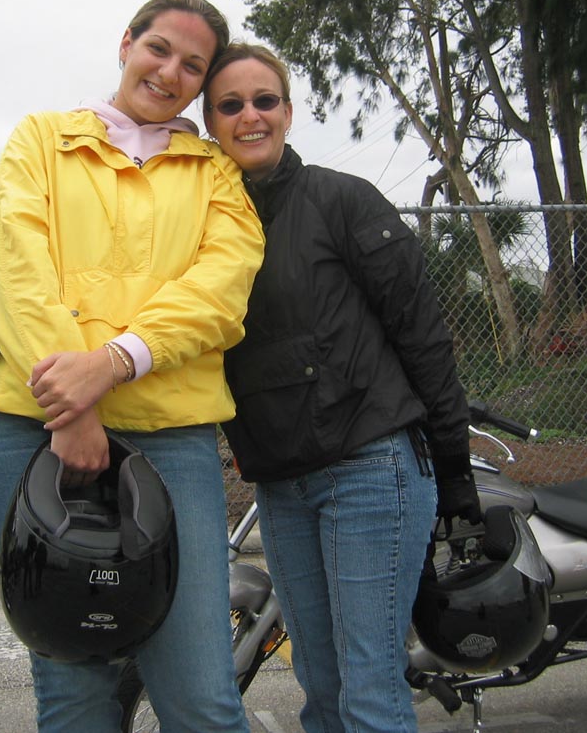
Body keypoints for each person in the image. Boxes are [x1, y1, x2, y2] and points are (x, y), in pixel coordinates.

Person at [0, 0, 264, 733]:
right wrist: (73, 407)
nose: (169, 72)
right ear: (126, 44)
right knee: (74, 678)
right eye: (158, 49)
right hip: (25, 425)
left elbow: (221, 289)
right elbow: (19, 273)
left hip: (168, 437)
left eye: (193, 65)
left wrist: (115, 362)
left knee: (199, 689)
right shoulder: (40, 141)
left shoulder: (216, 175)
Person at [202, 43, 482, 733]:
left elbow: (422, 334)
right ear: (209, 123)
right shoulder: (205, 224)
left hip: (370, 468)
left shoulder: (343, 201)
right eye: (230, 105)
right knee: (321, 684)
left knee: (368, 686)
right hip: (281, 485)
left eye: (264, 100)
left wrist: (453, 464)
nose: (250, 115)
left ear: (288, 111)